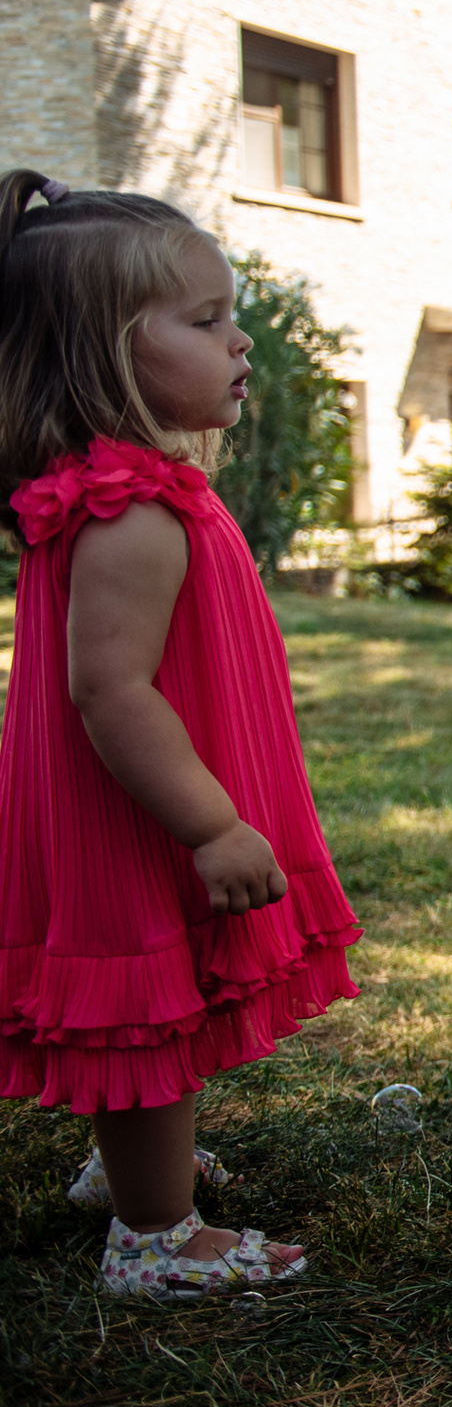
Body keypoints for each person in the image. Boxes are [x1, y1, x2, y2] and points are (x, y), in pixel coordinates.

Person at [0, 170, 362, 1296]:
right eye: (204, 321)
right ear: (107, 354)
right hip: (141, 805)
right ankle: (155, 1234)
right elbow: (109, 693)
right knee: (144, 1001)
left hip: (153, 790)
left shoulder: (144, 488)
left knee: (168, 991)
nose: (239, 338)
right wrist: (210, 823)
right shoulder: (127, 512)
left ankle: (132, 1170)